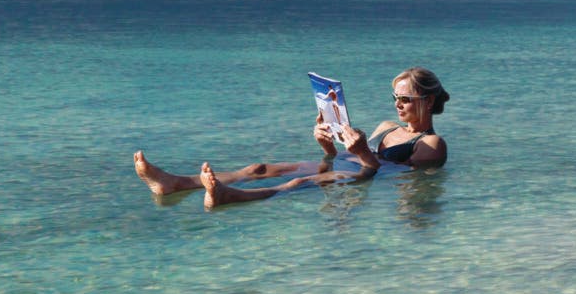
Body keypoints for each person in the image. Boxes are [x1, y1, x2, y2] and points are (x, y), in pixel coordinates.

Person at [134, 67, 452, 209]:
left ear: (426, 100)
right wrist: (327, 141)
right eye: (395, 97)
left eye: (405, 99)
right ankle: (174, 183)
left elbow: (393, 174)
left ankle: (230, 196)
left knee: (297, 184)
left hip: (368, 176)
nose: (397, 104)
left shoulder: (432, 145)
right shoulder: (386, 125)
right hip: (348, 162)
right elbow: (345, 153)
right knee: (259, 167)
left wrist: (362, 155)